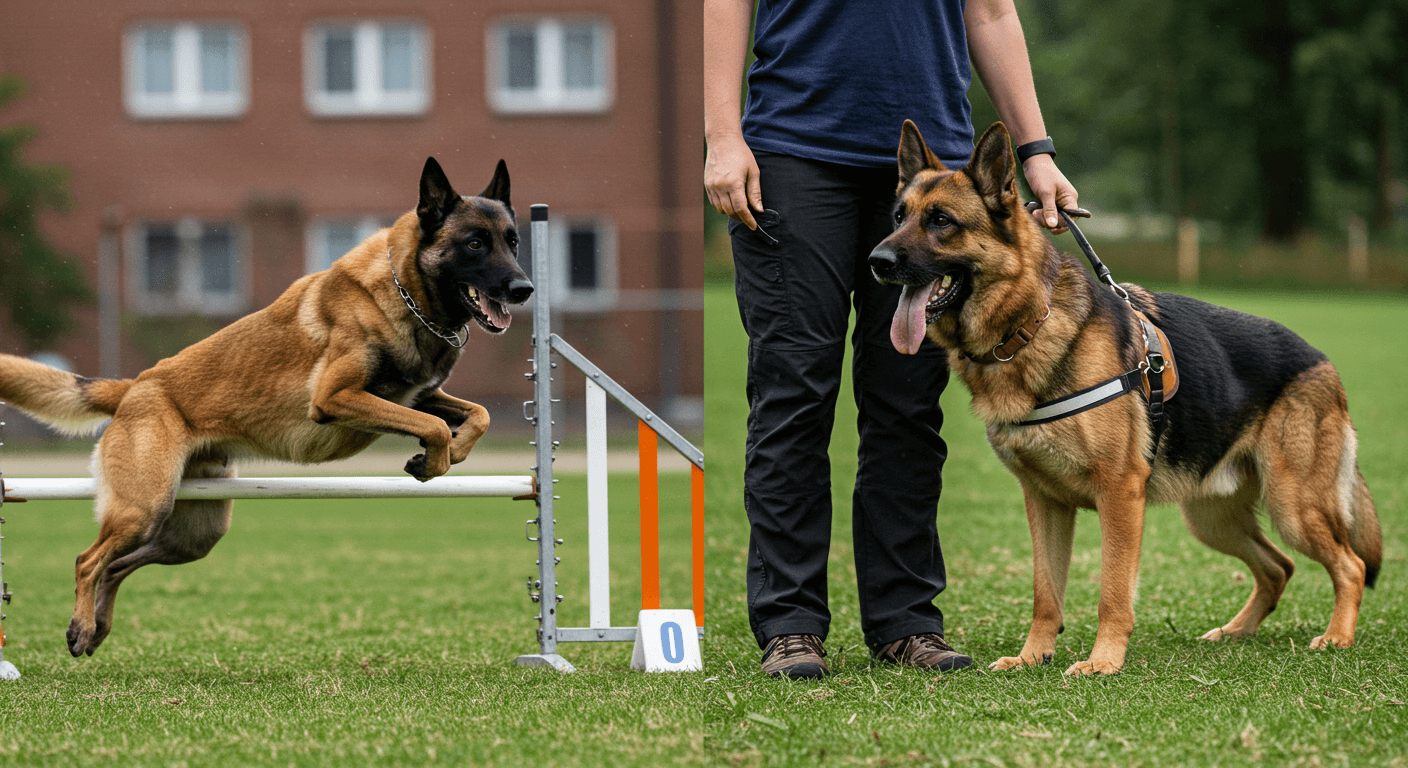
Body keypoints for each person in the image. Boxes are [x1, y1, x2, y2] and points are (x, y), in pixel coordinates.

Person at [704, 0, 1081, 679]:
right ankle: (790, 625)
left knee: (907, 403)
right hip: (793, 155)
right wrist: (724, 136)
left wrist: (1037, 151)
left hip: (933, 165)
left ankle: (905, 623)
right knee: (794, 395)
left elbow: (991, 14)